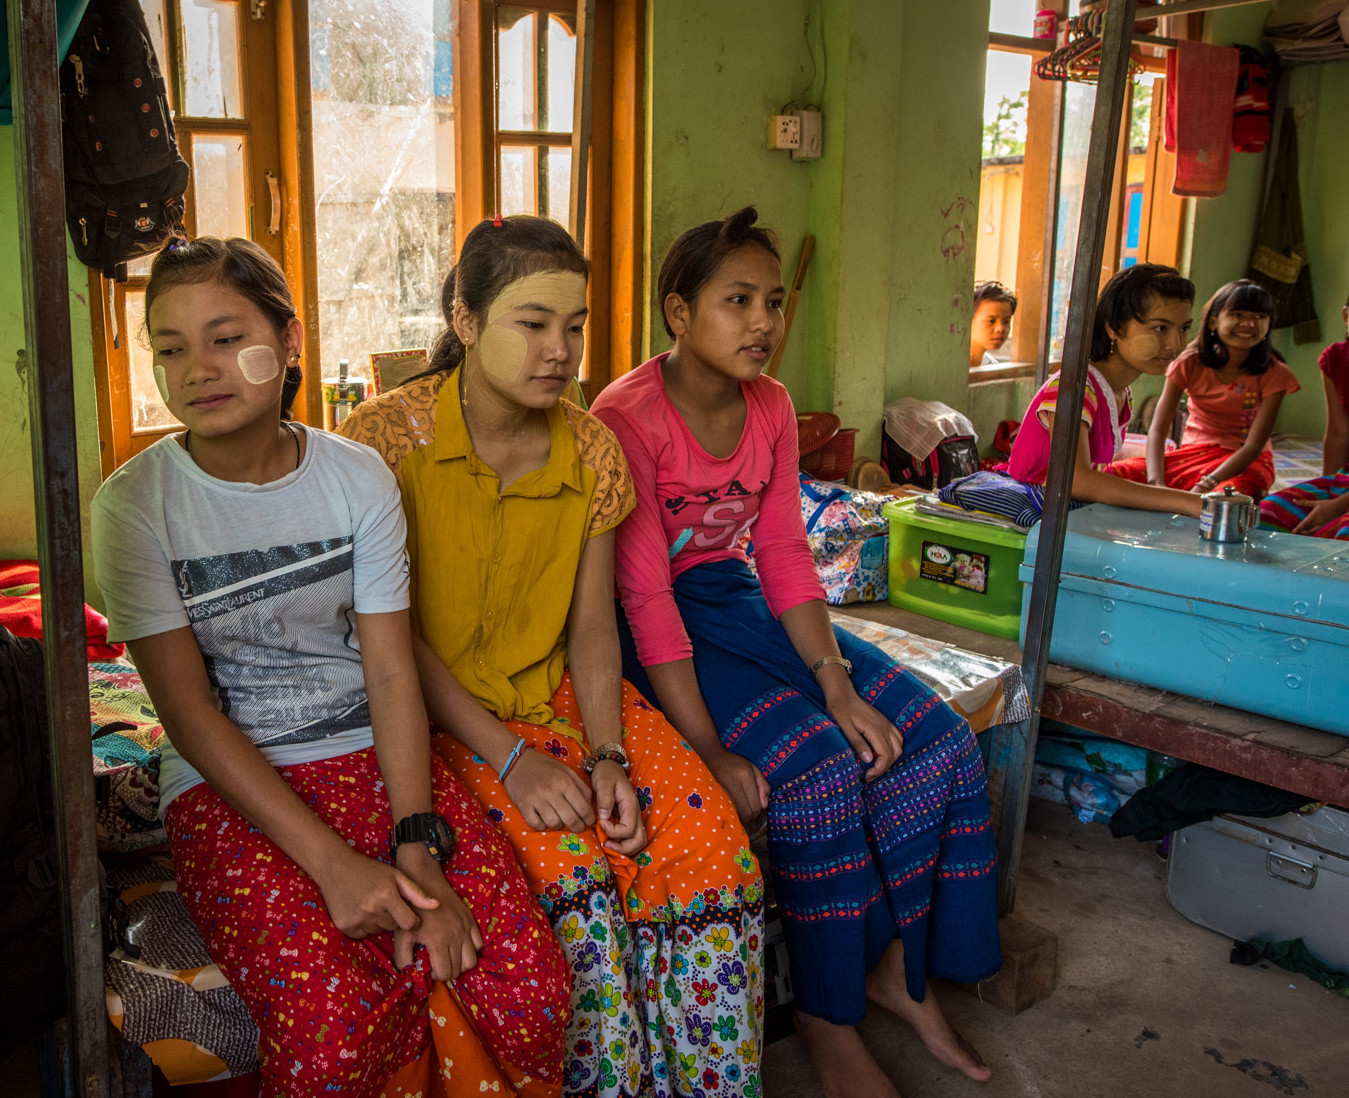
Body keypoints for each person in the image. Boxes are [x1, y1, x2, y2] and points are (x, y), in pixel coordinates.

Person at [90, 237, 570, 1097]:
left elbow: (390, 674)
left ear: (291, 338)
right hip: (227, 780)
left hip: (370, 755)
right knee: (335, 1023)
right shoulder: (135, 506)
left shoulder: (354, 477)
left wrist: (415, 845)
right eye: (169, 347)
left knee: (527, 980)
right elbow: (192, 718)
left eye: (227, 336)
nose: (198, 368)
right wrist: (335, 865)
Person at [339, 215, 766, 1098]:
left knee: (709, 849)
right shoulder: (382, 444)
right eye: (532, 323)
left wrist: (607, 754)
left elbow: (592, 630)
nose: (560, 350)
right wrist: (512, 758)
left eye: (574, 327)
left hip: (561, 701)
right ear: (464, 321)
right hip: (442, 718)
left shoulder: (593, 449)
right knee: (577, 887)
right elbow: (386, 638)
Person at [590, 207, 1001, 1098]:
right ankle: (826, 1015)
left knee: (934, 739)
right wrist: (706, 748)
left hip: (734, 600)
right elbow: (643, 595)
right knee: (816, 768)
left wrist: (838, 682)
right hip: (638, 630)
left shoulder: (771, 407)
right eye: (737, 301)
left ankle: (898, 968)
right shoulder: (626, 417)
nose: (764, 323)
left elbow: (779, 552)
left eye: (772, 302)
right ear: (677, 311)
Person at [1003, 263, 1206, 519]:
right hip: (1029, 522)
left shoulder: (1118, 391)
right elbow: (1074, 479)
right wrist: (1184, 501)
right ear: (1114, 327)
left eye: (1184, 328)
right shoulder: (1074, 388)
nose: (1175, 344)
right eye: (1160, 328)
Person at [1108, 279, 1299, 498]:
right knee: (1117, 474)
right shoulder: (1189, 362)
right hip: (1192, 456)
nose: (1249, 324)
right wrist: (1156, 482)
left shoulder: (1275, 373)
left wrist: (1206, 485)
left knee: (1223, 499)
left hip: (1245, 462)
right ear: (1213, 323)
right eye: (1237, 315)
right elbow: (1159, 429)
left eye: (1260, 317)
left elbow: (1253, 446)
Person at [1260, 291, 1349, 539]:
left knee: (1343, 534)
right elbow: (1339, 434)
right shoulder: (1337, 359)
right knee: (1268, 513)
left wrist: (1337, 507)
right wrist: (1327, 491)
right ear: (1345, 316)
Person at [969, 280, 1017, 369]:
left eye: (1006, 321)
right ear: (969, 320)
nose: (1001, 329)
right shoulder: (949, 363)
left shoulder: (992, 365)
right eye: (991, 321)